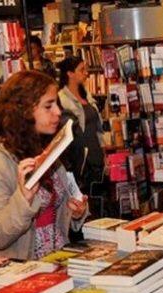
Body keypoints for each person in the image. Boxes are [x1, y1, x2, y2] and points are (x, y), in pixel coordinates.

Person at [0, 70, 88, 260]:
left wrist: (76, 211)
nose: (58, 112)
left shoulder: (44, 146)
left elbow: (56, 210)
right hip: (24, 272)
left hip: (59, 261)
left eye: (57, 104)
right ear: (24, 111)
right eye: (48, 106)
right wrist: (23, 198)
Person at [57, 57, 105, 194]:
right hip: (81, 157)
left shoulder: (86, 94)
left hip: (96, 152)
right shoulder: (62, 98)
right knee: (85, 194)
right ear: (69, 73)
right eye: (81, 70)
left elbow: (97, 125)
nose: (86, 73)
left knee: (99, 195)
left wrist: (103, 149)